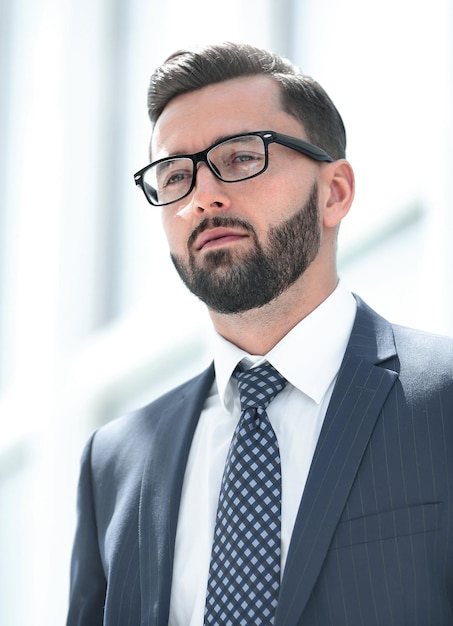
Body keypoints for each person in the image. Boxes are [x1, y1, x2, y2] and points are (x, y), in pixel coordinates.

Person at [66, 42, 453, 626]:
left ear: (334, 192)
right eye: (174, 174)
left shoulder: (442, 400)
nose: (202, 197)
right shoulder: (115, 463)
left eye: (243, 157)